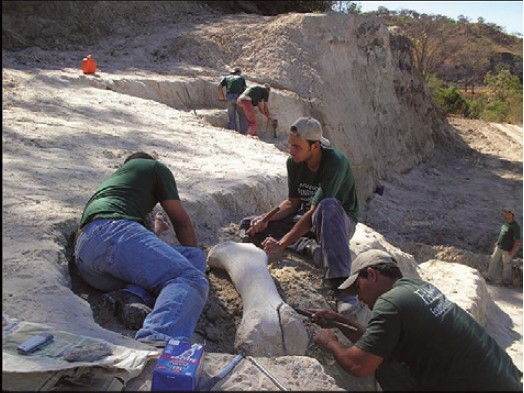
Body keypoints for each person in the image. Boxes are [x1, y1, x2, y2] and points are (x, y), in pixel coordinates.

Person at [309, 249, 523, 391]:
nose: (359, 298)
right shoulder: (417, 288)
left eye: (358, 288)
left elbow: (359, 365)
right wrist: (337, 320)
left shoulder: (390, 303)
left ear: (372, 275)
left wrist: (329, 341)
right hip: (504, 381)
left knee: (385, 367)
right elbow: (377, 342)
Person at [74, 152, 209, 347]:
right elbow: (181, 221)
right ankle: (157, 338)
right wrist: (190, 278)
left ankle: (132, 297)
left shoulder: (117, 189)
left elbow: (133, 254)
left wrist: (156, 233)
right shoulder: (154, 167)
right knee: (190, 277)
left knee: (193, 256)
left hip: (89, 260)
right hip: (110, 231)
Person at [239, 117, 360, 314]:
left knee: (327, 206)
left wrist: (282, 243)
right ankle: (311, 249)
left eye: (297, 147)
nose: (291, 151)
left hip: (336, 222)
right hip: (308, 220)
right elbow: (293, 203)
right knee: (248, 223)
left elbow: (314, 211)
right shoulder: (294, 163)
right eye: (290, 145)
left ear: (315, 147)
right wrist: (265, 219)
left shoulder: (335, 163)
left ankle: (343, 287)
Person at [486, 208, 521, 286]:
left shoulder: (515, 227)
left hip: (507, 249)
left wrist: (512, 251)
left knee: (507, 265)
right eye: (504, 212)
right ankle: (489, 277)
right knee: (493, 260)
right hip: (499, 247)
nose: (504, 213)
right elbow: (502, 234)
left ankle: (506, 282)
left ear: (511, 214)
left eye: (506, 212)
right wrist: (497, 242)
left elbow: (517, 241)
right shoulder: (505, 223)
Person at [217, 66, 247, 133]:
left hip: (229, 97)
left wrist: (222, 97)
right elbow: (245, 90)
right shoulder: (241, 78)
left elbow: (219, 87)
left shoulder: (226, 77)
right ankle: (243, 133)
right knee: (242, 116)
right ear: (239, 73)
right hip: (239, 97)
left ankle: (232, 132)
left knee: (231, 116)